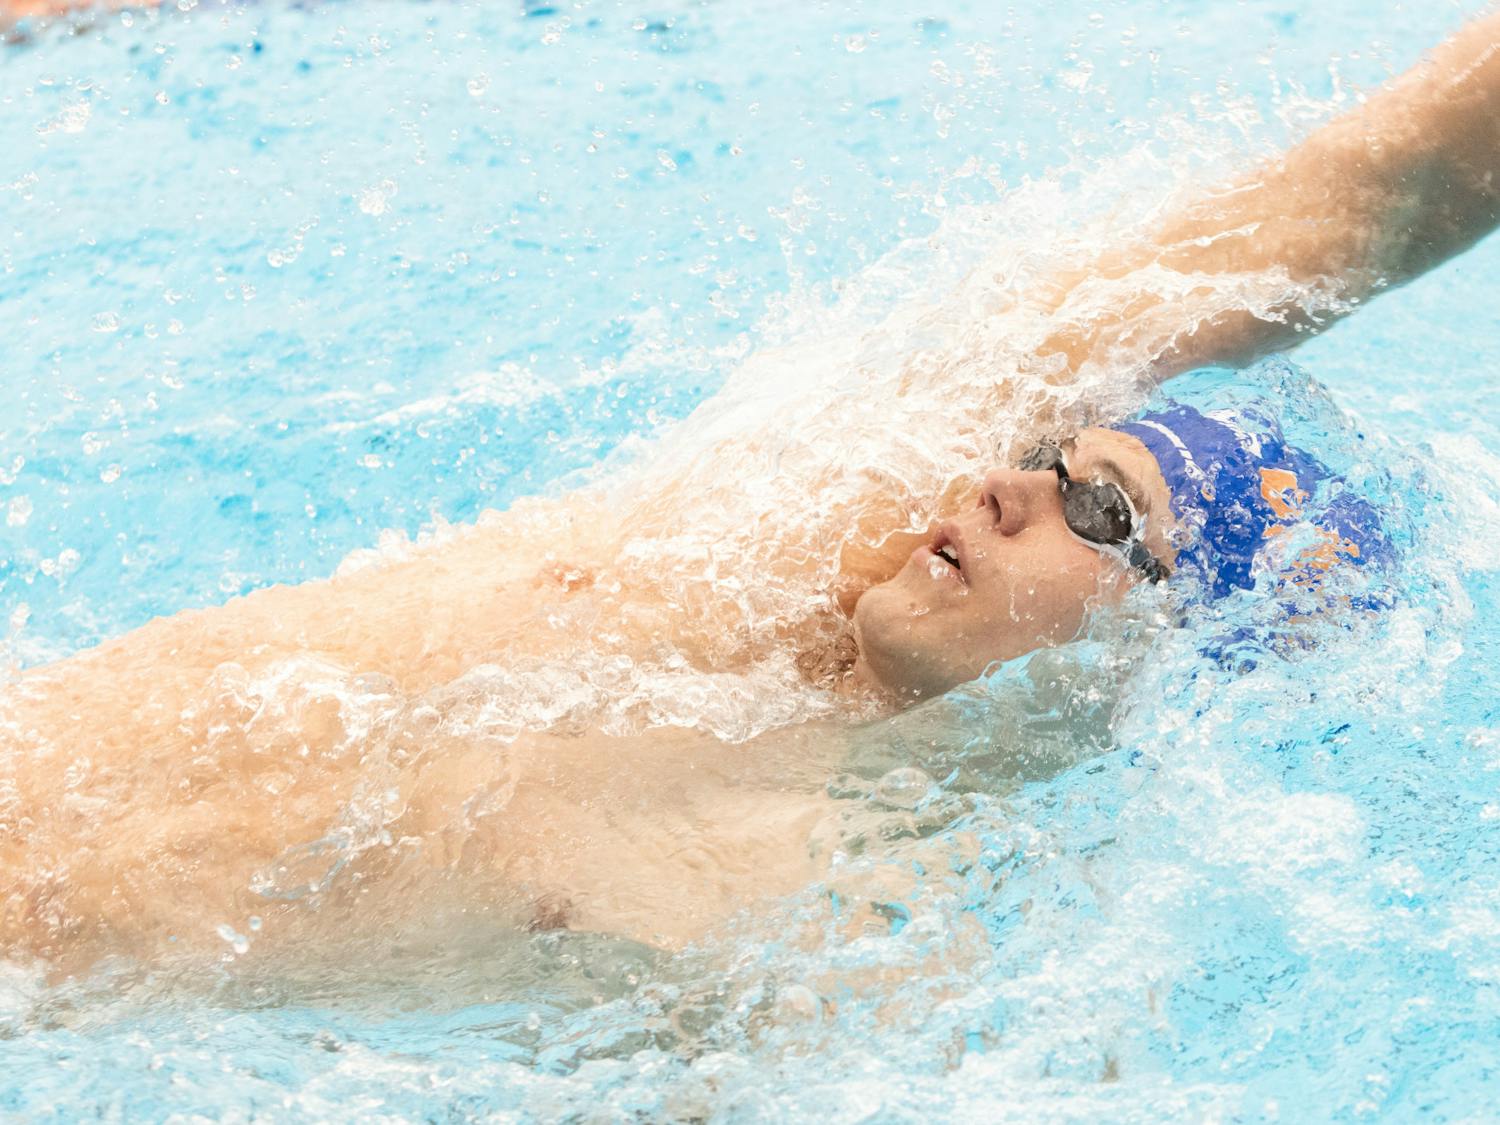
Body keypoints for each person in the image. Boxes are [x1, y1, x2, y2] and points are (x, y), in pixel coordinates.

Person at [4, 10, 1500, 976]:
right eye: (1053, 459)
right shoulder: (775, 539)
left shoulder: (861, 943)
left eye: (1096, 510)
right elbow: (1368, 196)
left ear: (1167, 668)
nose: (1000, 487)